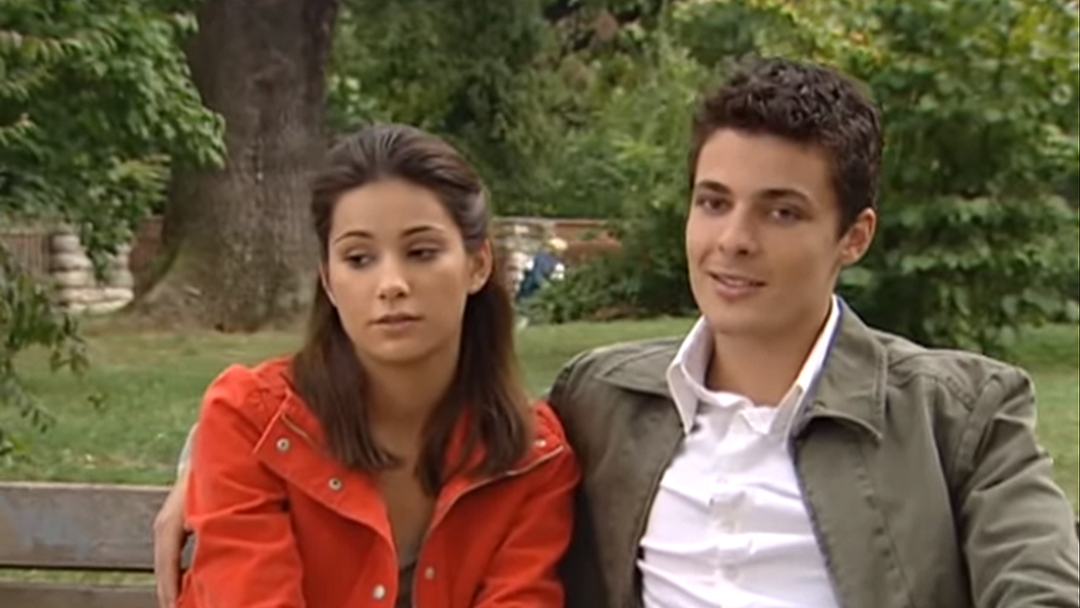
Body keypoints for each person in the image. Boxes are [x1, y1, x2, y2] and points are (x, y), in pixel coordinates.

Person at [155, 58, 1080, 608]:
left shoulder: (959, 414)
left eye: (781, 211)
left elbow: (1040, 588)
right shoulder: (607, 402)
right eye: (713, 201)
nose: (733, 240)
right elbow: (380, 418)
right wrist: (213, 458)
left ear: (854, 236)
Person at [156, 123, 580, 608]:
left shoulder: (532, 457)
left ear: (478, 264)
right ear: (328, 281)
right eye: (359, 259)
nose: (391, 284)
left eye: (421, 252)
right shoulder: (251, 421)